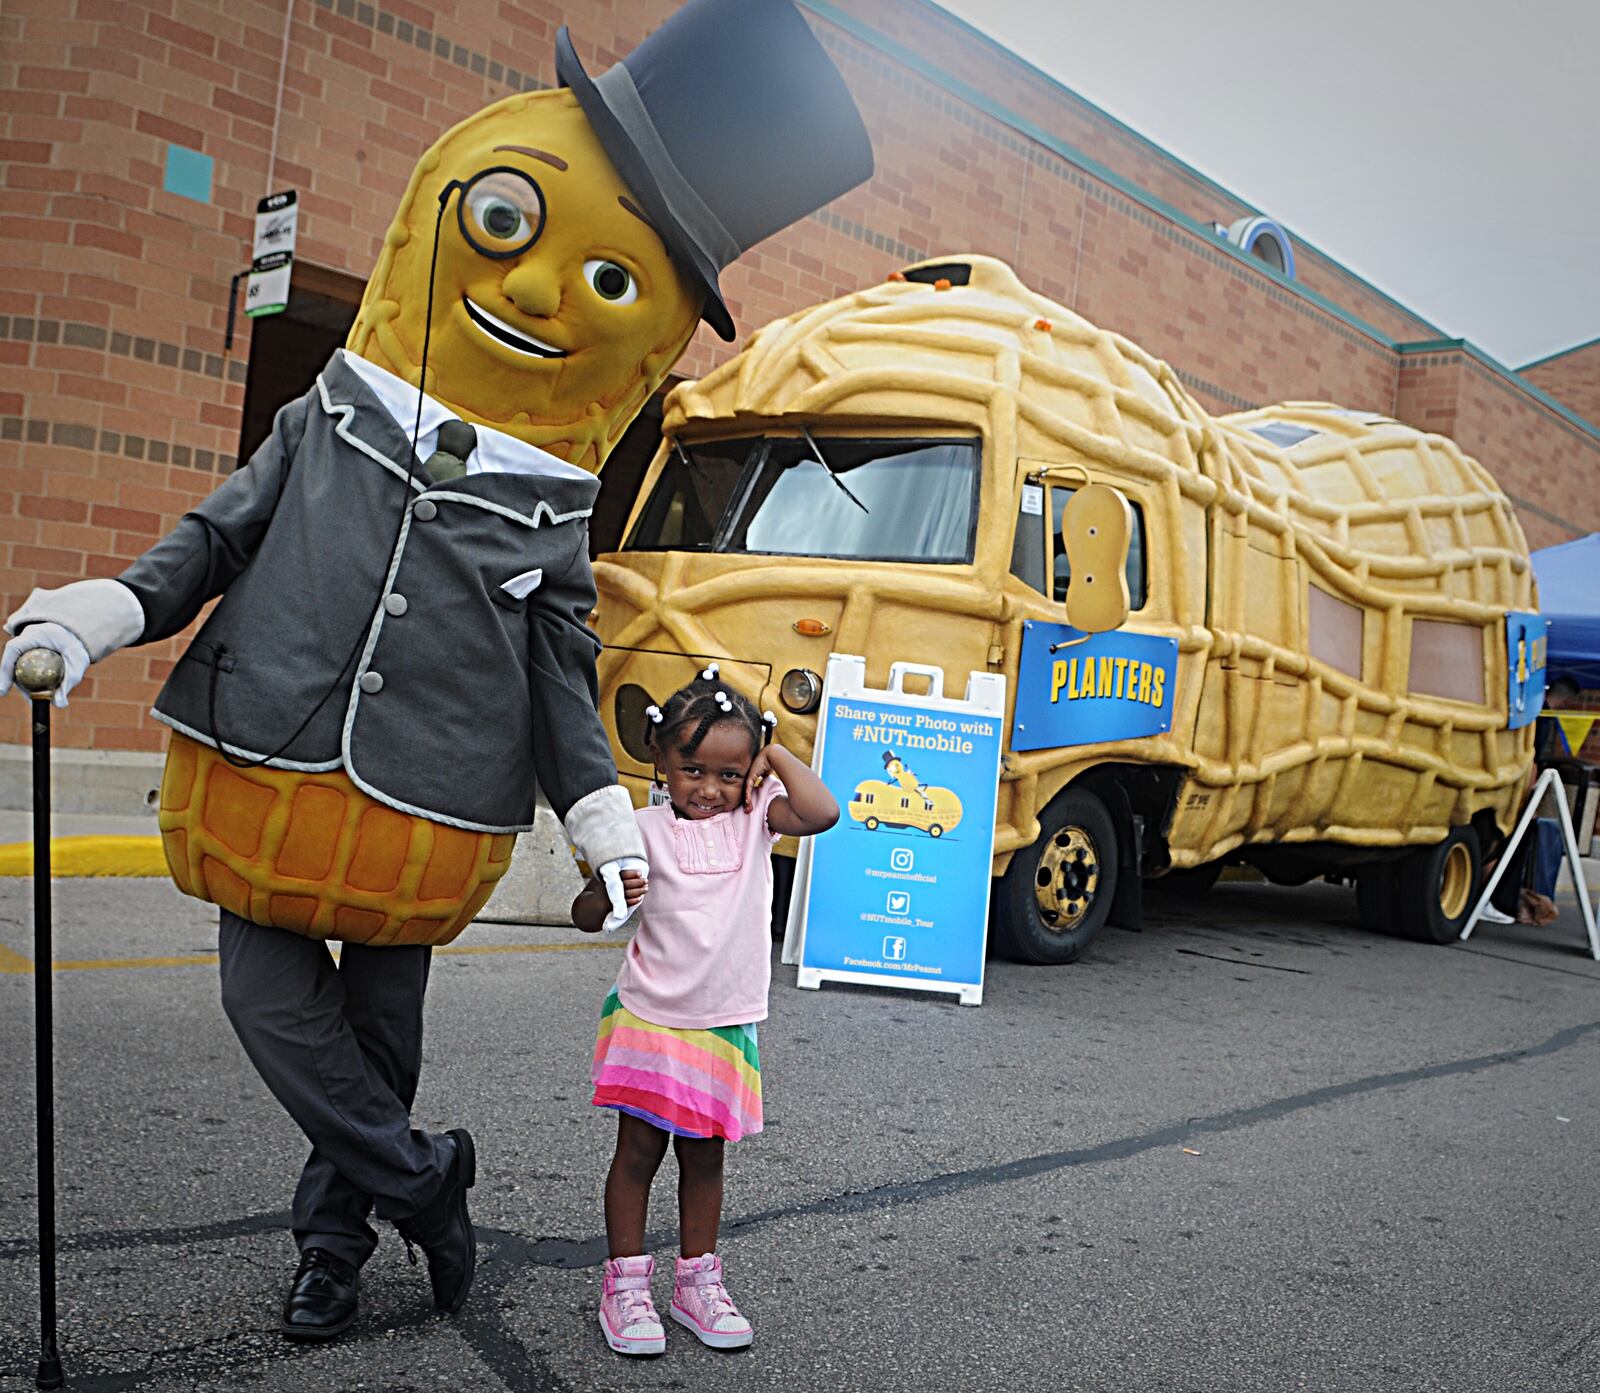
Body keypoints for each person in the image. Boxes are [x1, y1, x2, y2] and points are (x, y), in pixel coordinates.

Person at [0, 0, 871, 1344]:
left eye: (606, 282)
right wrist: (106, 610)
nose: (532, 291)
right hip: (267, 759)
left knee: (384, 1036)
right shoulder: (331, 413)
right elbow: (218, 535)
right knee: (264, 996)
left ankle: (333, 1249)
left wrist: (598, 824)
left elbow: (560, 679)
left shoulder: (553, 510)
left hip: (429, 808)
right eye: (515, 228)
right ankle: (425, 1181)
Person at [570, 666, 839, 1356]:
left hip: (721, 1022)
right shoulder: (639, 828)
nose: (711, 788)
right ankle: (625, 1285)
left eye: (728, 771)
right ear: (660, 760)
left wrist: (773, 754)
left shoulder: (757, 819)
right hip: (652, 1016)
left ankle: (697, 1282)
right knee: (637, 1152)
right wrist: (609, 889)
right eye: (692, 768)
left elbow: (824, 810)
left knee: (705, 1157)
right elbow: (585, 913)